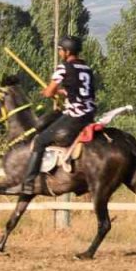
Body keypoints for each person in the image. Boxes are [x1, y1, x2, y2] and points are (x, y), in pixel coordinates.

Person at [20, 35, 98, 195]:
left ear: (67, 52)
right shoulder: (87, 68)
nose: (60, 52)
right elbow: (78, 89)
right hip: (90, 114)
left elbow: (48, 92)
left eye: (61, 50)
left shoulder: (63, 67)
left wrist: (51, 91)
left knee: (40, 141)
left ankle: (28, 182)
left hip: (75, 115)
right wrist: (63, 92)